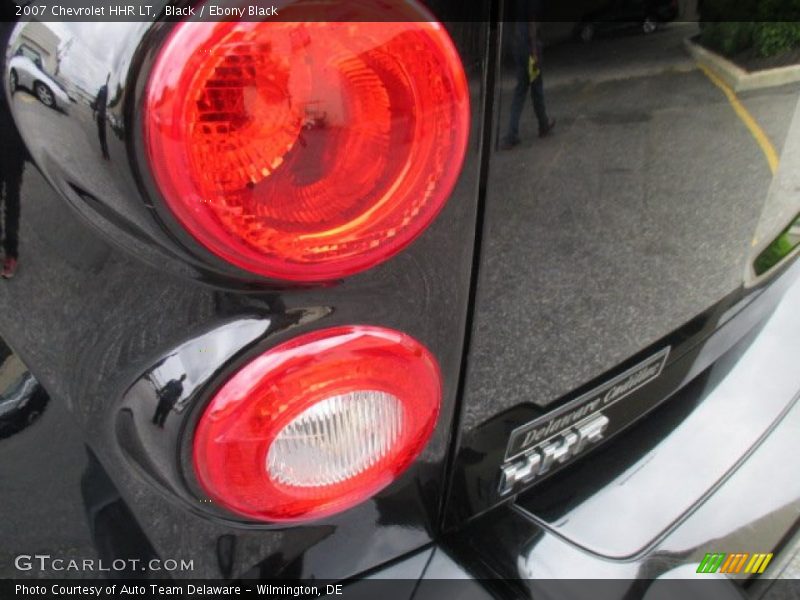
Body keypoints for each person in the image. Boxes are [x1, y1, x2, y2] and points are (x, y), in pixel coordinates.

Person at [502, 0, 555, 149]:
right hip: (529, 50)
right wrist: (535, 53)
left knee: (520, 91)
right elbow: (532, 23)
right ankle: (543, 126)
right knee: (537, 88)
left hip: (519, 47)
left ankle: (512, 135)